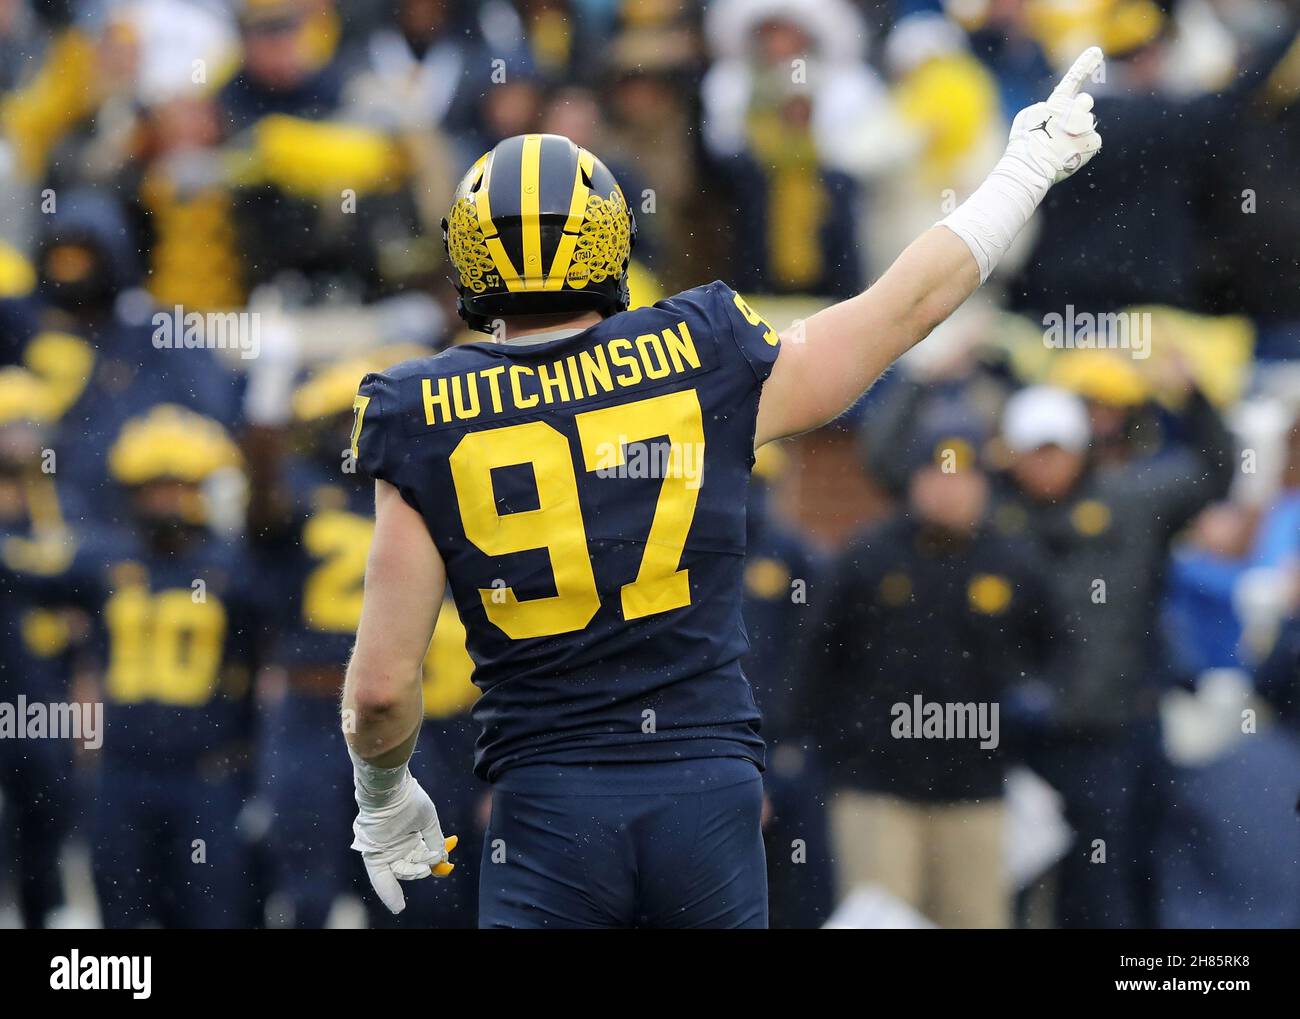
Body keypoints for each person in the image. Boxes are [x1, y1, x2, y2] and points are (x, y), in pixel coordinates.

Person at [340, 49, 1106, 928]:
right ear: (609, 240)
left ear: (471, 258)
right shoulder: (699, 348)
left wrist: (383, 795)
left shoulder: (419, 408)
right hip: (704, 790)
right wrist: (1023, 171)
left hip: (547, 802)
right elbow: (901, 309)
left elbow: (382, 690)